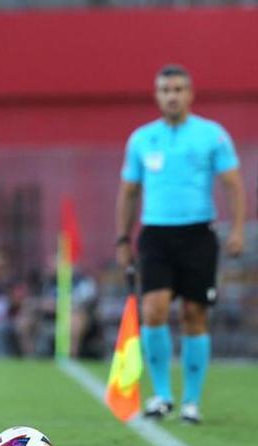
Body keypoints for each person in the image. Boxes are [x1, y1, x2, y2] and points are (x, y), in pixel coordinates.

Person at [115, 64, 245, 424]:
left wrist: (235, 230)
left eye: (178, 89)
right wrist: (123, 236)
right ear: (157, 95)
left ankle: (191, 401)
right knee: (153, 309)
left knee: (194, 315)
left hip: (198, 235)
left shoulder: (212, 135)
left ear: (190, 94)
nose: (172, 95)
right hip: (155, 234)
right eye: (165, 89)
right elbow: (129, 191)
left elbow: (233, 184)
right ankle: (161, 396)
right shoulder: (141, 139)